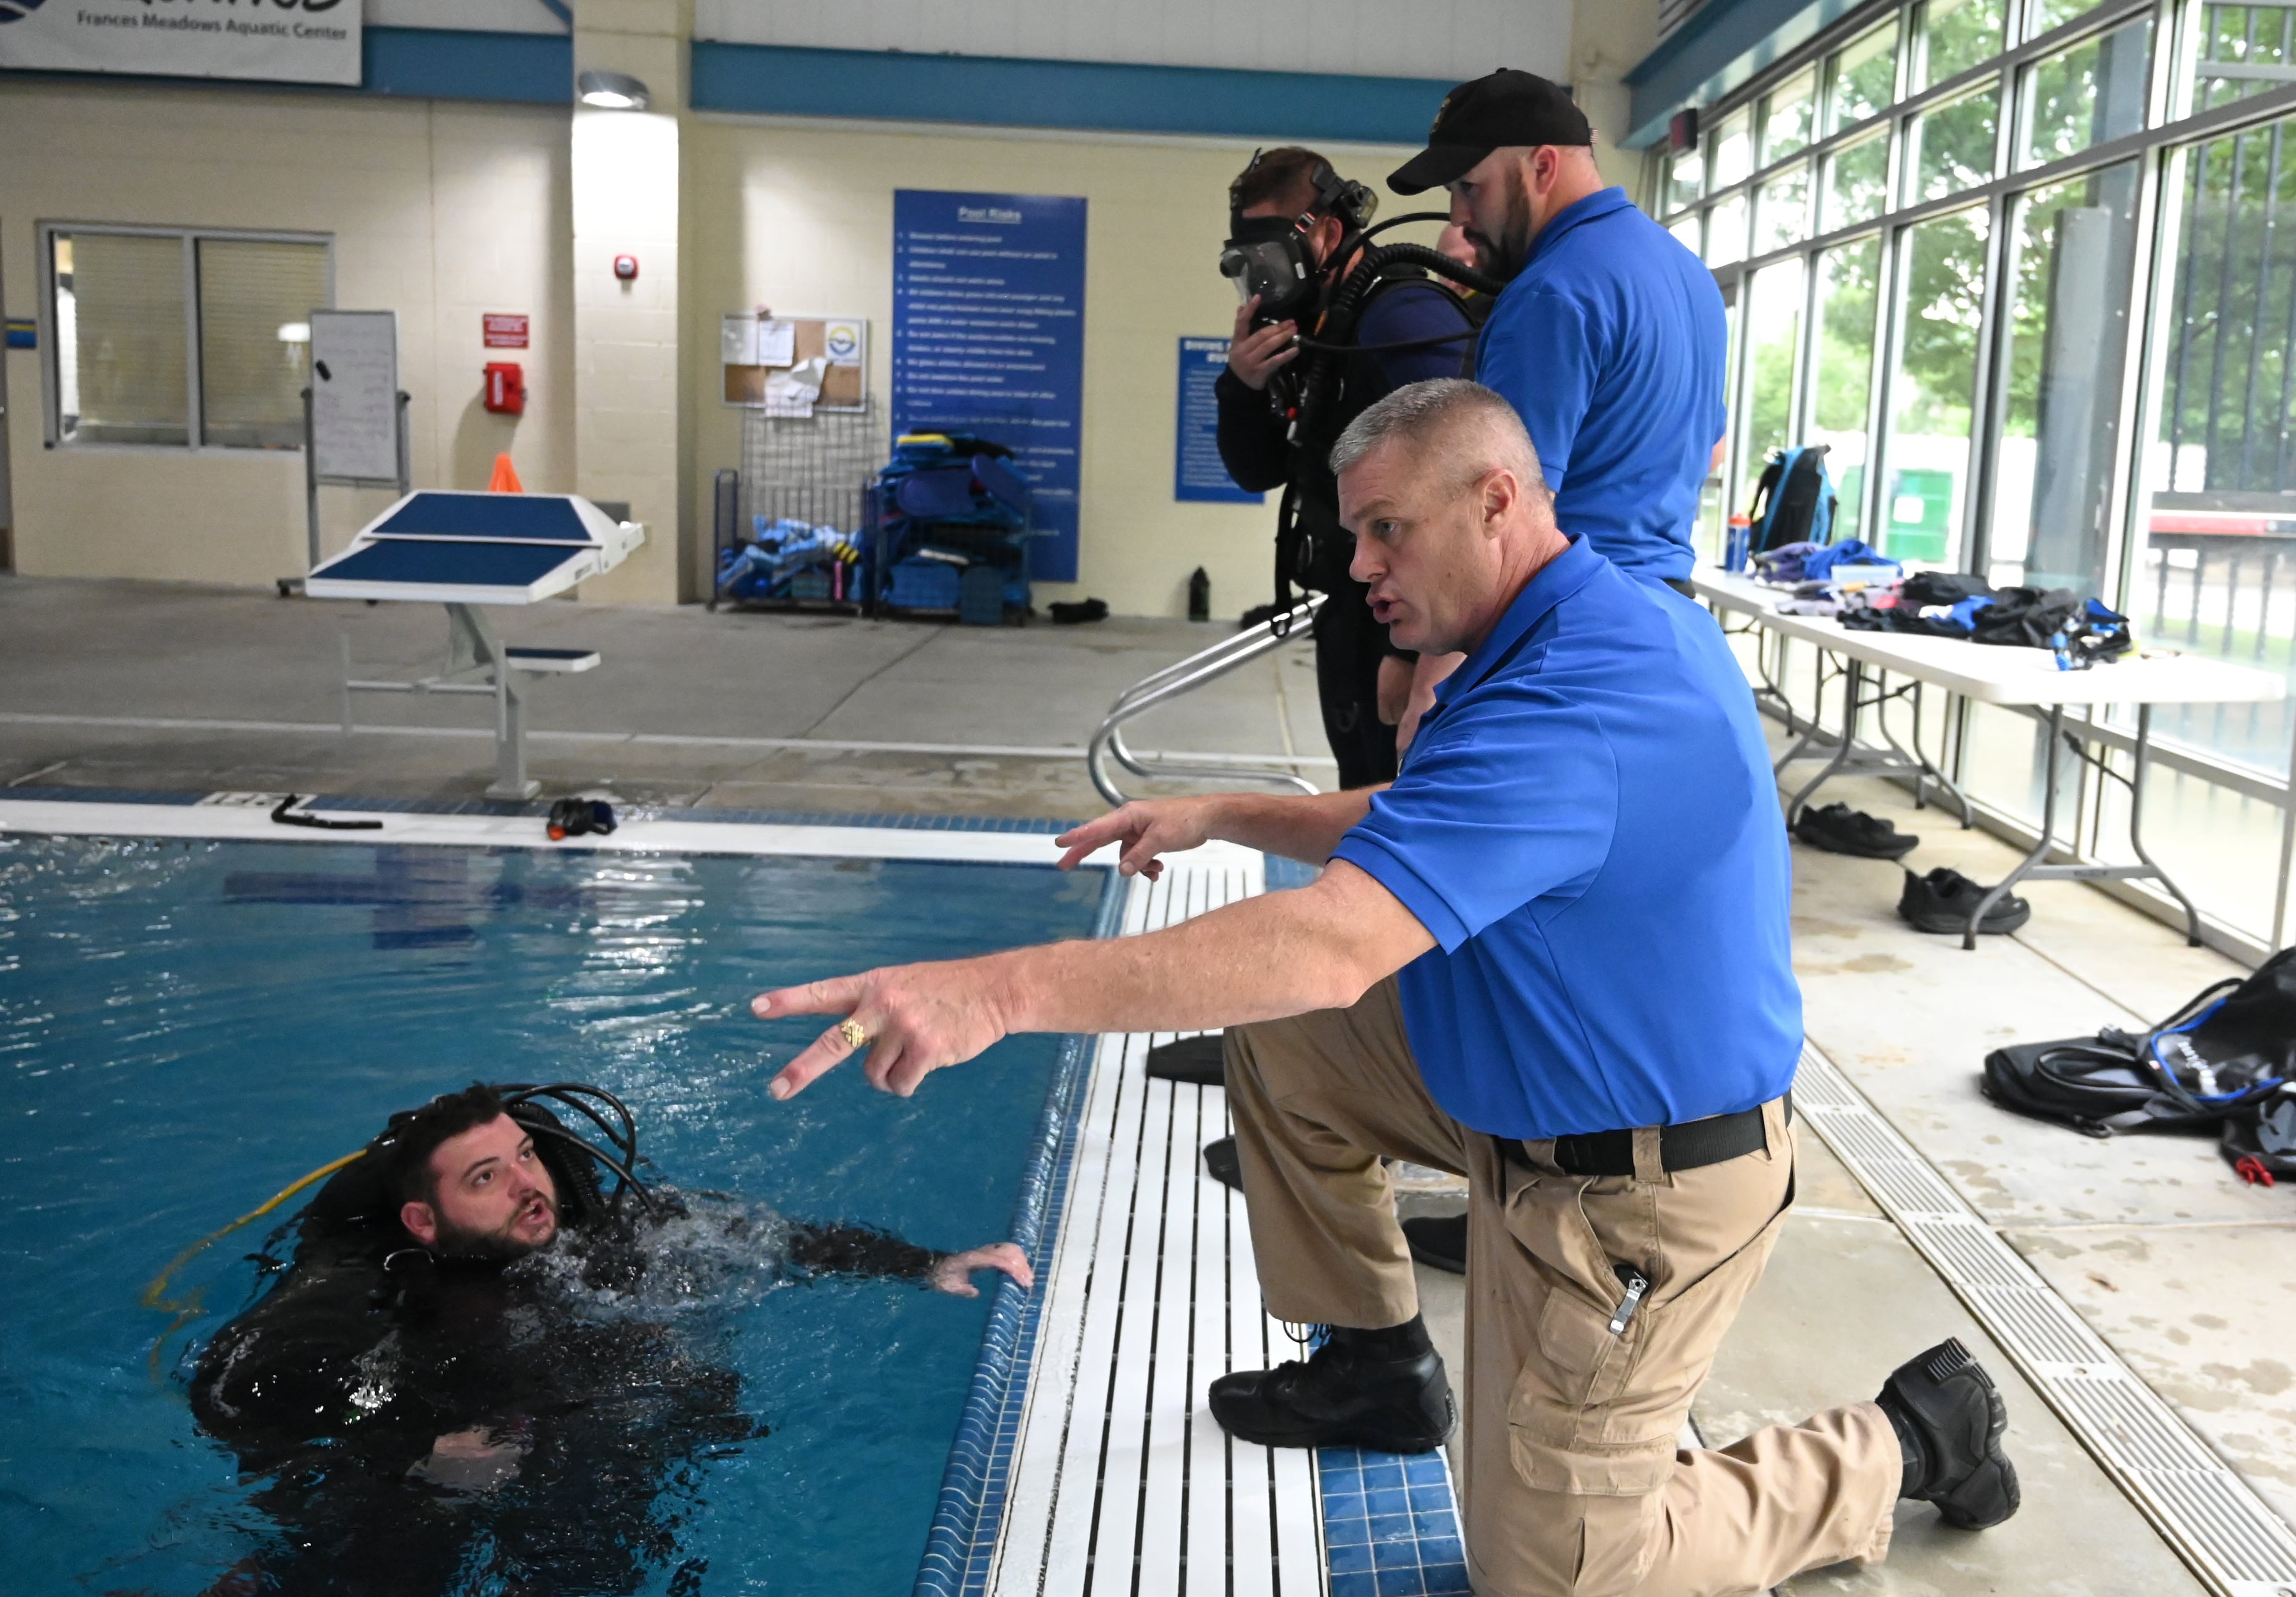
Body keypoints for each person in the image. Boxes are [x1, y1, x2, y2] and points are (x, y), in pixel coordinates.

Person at [750, 381, 2018, 1596]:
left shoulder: (1576, 698)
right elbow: (1428, 817)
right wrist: (1222, 813)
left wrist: (996, 993)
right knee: (1292, 1044)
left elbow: (1332, 944)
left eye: (1385, 529)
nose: (1359, 566)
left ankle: (1907, 1441)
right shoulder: (1579, 620)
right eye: (1357, 531)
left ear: (1496, 500)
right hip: (1527, 1089)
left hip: (1641, 1187)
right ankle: (1375, 1364)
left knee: (1563, 1573)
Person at [187, 1082, 1027, 1595]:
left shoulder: (613, 1234)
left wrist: (925, 1262)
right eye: (487, 1178)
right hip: (431, 1459)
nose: (527, 1184)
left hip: (565, 1447)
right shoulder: (390, 1283)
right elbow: (243, 1386)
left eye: (525, 1156)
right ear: (425, 1220)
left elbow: (771, 1236)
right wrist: (418, 1445)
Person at [1393, 69, 1728, 596]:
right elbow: (1712, 451)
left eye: (1468, 187)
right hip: (1664, 612)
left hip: (1570, 616)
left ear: (1543, 166)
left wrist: (1432, 674)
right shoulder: (1690, 273)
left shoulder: (1550, 294)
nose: (1458, 216)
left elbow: (1500, 514)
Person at [1213, 146, 1479, 790]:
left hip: (1405, 619)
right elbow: (1260, 470)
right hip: (1356, 607)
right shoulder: (1322, 328)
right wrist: (1243, 385)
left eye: (1273, 255)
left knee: (1392, 806)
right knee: (1360, 796)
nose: (1265, 279)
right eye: (1249, 262)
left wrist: (1415, 653)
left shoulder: (1401, 319)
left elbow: (1460, 490)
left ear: (1328, 230)